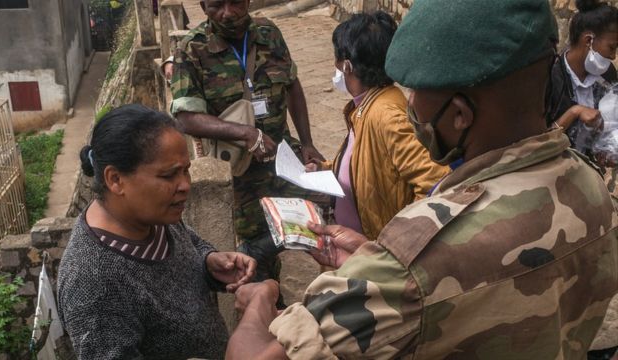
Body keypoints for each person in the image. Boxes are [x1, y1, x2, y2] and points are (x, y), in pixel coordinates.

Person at [226, 0, 618, 358]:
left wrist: (260, 300)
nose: (408, 103)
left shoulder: (419, 254)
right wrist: (379, 260)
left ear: (460, 115)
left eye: (414, 92)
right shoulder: (591, 186)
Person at [57, 105, 256, 359]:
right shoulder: (93, 281)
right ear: (116, 180)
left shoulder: (154, 214)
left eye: (186, 170)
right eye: (169, 175)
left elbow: (189, 242)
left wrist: (208, 262)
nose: (185, 185)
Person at [170, 0, 324, 288]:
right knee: (257, 249)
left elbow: (292, 85)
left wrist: (307, 142)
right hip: (240, 172)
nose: (228, 13)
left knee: (321, 210)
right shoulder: (192, 50)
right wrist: (246, 134)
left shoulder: (269, 33)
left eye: (236, 3)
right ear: (203, 6)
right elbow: (185, 117)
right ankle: (269, 302)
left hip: (283, 156)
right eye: (217, 6)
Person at [310, 11, 448, 240]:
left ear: (347, 66)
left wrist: (393, 245)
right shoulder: (365, 106)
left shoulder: (386, 115)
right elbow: (367, 161)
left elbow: (435, 183)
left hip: (376, 253)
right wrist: (326, 168)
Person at [547, 0, 618, 159]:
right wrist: (574, 112)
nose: (613, 56)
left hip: (586, 173)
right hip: (553, 174)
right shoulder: (550, 78)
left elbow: (610, 126)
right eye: (612, 47)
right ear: (588, 41)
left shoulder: (607, 75)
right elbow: (538, 142)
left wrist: (606, 151)